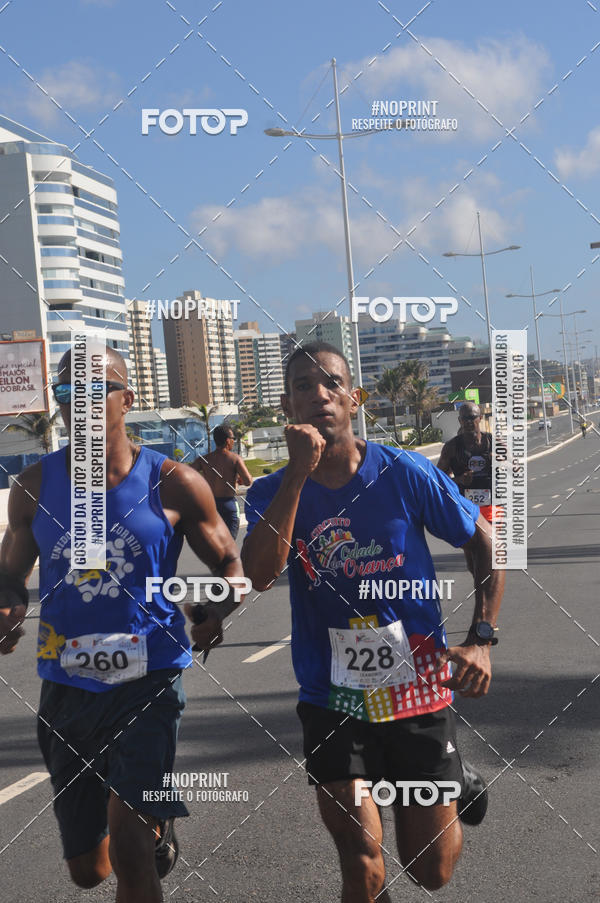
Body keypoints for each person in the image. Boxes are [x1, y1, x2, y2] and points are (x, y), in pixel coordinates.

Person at [241, 342, 505, 901]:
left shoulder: (403, 472)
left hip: (417, 691)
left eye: (332, 384)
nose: (319, 395)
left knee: (429, 871)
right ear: (287, 405)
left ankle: (454, 782)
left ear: (354, 397)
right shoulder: (270, 490)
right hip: (332, 695)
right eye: (303, 387)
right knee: (362, 864)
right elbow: (261, 574)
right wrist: (295, 476)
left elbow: (484, 541)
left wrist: (481, 637)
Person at [0, 347, 245, 903]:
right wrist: (7, 609)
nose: (79, 405)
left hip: (150, 680)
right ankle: (157, 823)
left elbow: (231, 565)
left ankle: (147, 822)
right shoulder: (34, 487)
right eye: (67, 394)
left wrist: (215, 607)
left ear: (127, 400)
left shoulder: (174, 481)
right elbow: (8, 575)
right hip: (67, 689)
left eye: (94, 391)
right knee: (90, 870)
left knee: (132, 849)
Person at [437, 402, 499, 575]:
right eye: (464, 418)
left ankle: (487, 584)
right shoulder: (451, 447)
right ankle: (480, 582)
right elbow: (437, 479)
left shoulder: (492, 442)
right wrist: (458, 480)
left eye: (472, 417)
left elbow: (515, 468)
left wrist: (498, 461)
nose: (468, 421)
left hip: (491, 503)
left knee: (490, 546)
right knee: (472, 551)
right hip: (465, 505)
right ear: (459, 421)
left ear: (480, 418)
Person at [191, 424, 252, 540]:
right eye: (233, 439)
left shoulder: (204, 459)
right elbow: (248, 481)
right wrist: (240, 480)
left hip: (210, 506)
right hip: (229, 505)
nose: (234, 441)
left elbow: (186, 473)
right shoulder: (235, 459)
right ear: (228, 440)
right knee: (229, 545)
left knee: (215, 545)